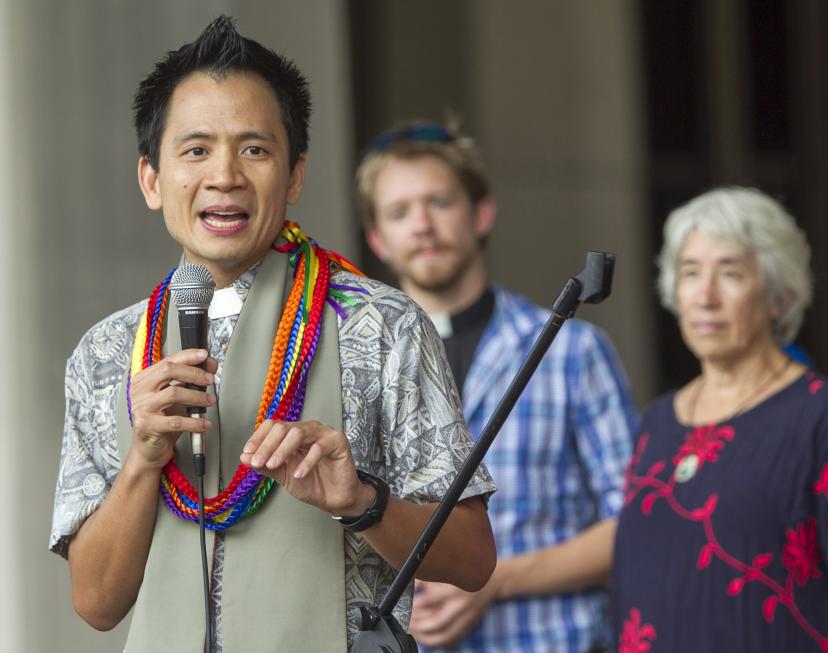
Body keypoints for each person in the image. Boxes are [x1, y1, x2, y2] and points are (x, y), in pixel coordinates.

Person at [49, 17, 496, 653]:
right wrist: (144, 458)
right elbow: (96, 605)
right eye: (196, 149)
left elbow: (473, 559)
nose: (225, 175)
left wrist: (362, 500)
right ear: (151, 179)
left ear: (294, 176)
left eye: (254, 149)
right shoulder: (107, 352)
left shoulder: (381, 324)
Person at [356, 120, 639, 652]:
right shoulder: (355, 365)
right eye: (398, 212)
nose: (421, 224)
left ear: (481, 213)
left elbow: (639, 523)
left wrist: (495, 579)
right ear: (377, 239)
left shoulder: (573, 352)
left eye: (439, 202)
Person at [611, 187, 828, 652]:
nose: (705, 296)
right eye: (689, 273)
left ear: (778, 297)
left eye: (730, 274)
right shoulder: (657, 423)